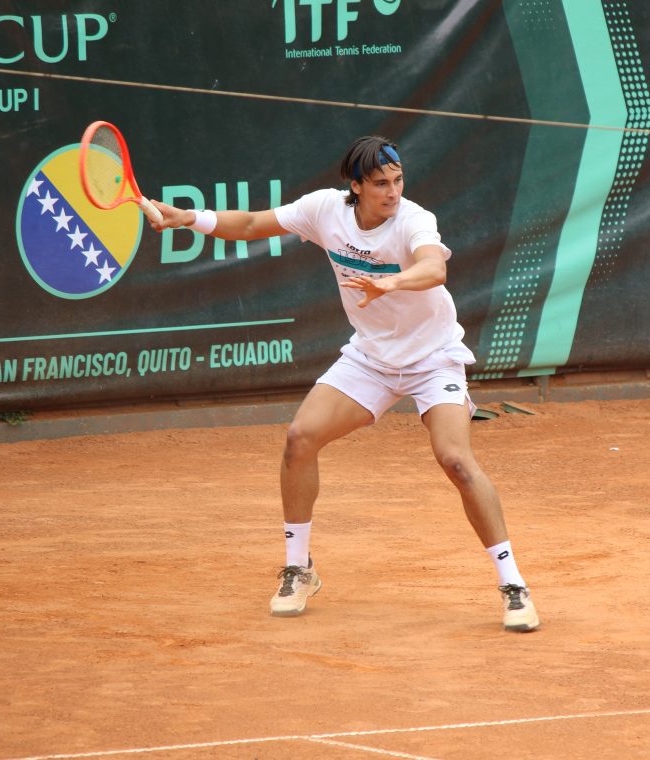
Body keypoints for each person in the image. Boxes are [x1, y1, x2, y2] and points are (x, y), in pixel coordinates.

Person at [149, 135, 540, 632]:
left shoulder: (414, 219)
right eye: (380, 184)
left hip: (433, 358)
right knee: (300, 439)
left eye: (398, 180)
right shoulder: (324, 210)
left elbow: (434, 267)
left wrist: (391, 281)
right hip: (371, 359)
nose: (393, 192)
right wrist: (188, 218)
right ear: (355, 186)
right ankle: (299, 568)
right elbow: (250, 225)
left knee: (456, 460)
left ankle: (513, 585)